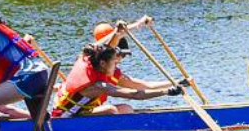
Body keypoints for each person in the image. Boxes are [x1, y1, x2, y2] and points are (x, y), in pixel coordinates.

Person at [51, 43, 181, 118]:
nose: (116, 65)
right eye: (114, 62)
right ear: (102, 63)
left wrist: (176, 82)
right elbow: (135, 94)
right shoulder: (99, 85)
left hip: (82, 111)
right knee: (110, 110)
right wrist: (166, 92)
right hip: (65, 116)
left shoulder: (90, 61)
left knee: (126, 109)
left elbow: (98, 48)